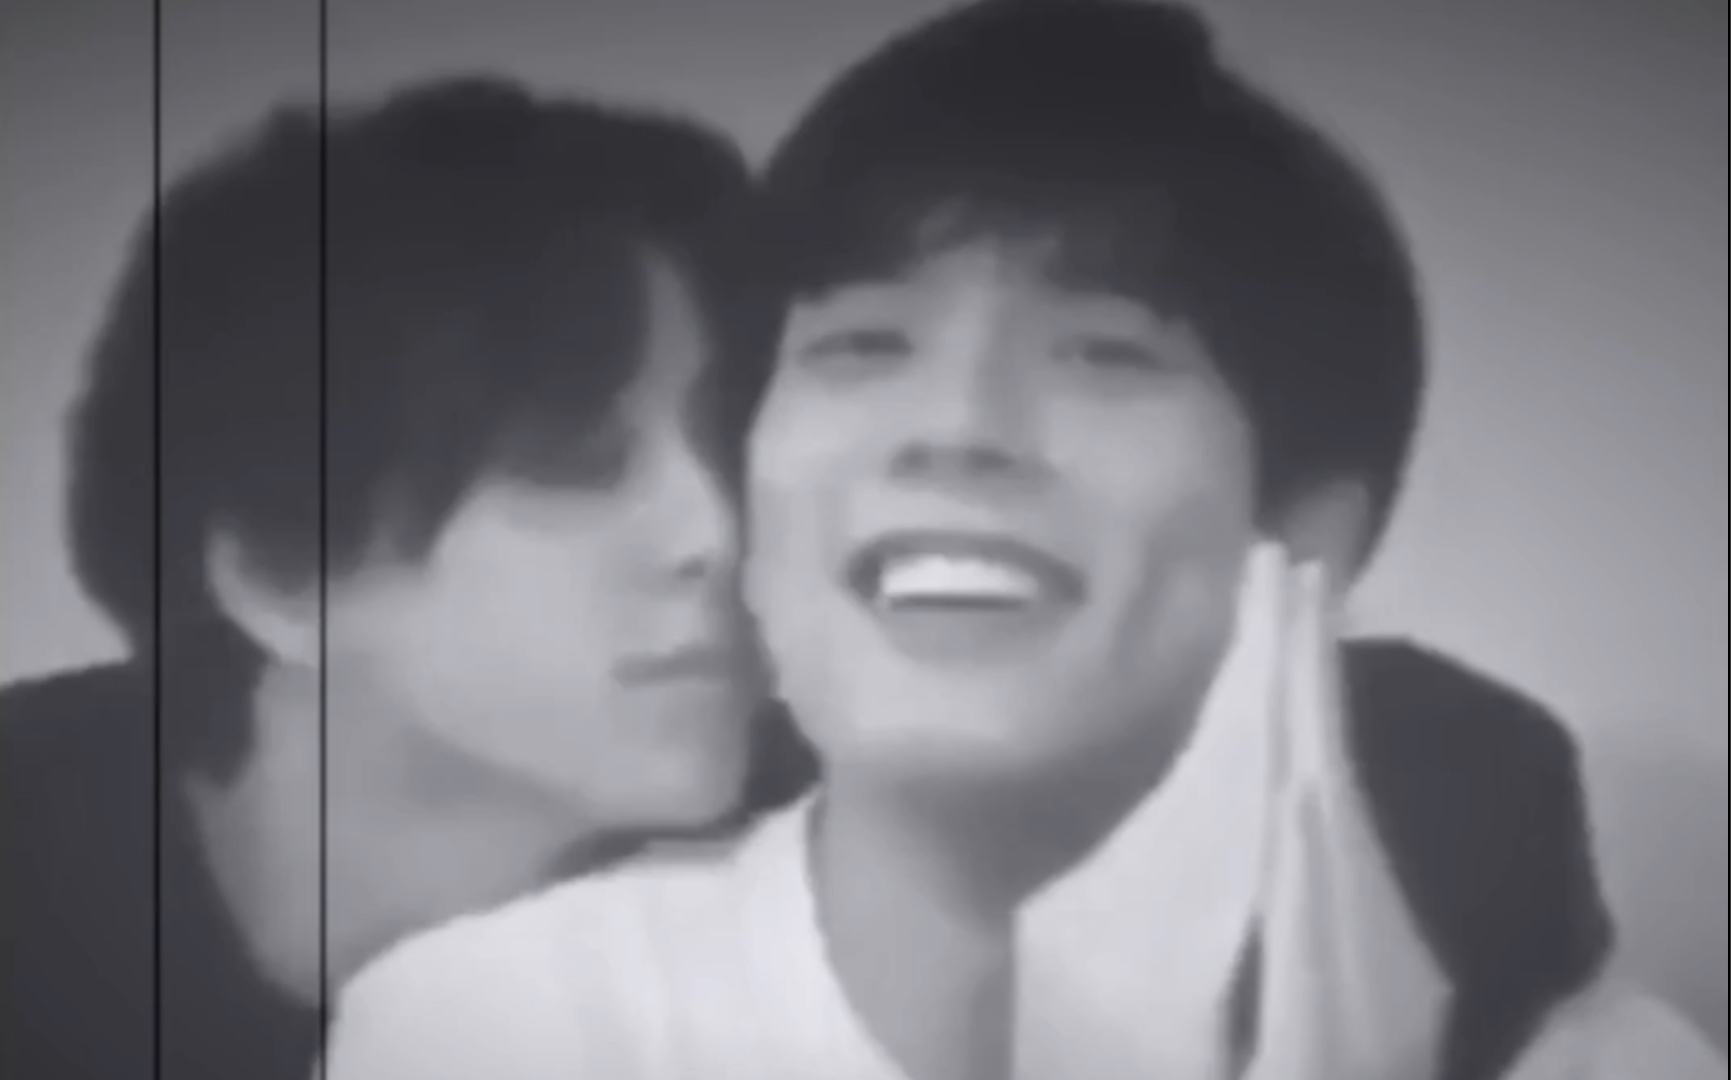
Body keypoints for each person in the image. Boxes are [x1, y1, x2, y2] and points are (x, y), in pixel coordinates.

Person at [319, 3, 1725, 1079]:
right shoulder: (493, 1031)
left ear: (1306, 539)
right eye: (863, 345)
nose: (956, 427)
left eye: (1107, 355)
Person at [2, 76, 803, 1080]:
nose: (718, 534)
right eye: (576, 459)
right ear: (281, 577)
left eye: (732, 439)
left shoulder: (876, 868)